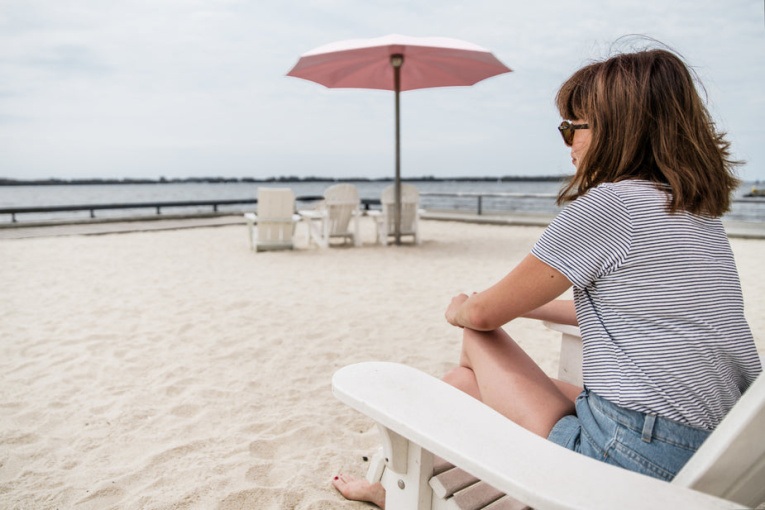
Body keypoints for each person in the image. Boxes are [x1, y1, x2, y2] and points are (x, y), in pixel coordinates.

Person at [333, 44, 762, 508]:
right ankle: (399, 487)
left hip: (634, 456)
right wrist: (530, 304)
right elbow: (641, 312)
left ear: (616, 130)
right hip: (717, 452)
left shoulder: (609, 206)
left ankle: (402, 491)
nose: (569, 144)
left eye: (571, 128)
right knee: (467, 384)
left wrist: (462, 307)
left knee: (477, 343)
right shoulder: (696, 216)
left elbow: (481, 315)